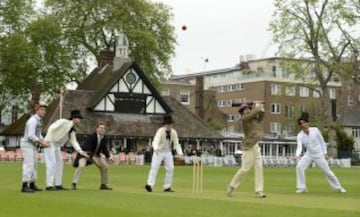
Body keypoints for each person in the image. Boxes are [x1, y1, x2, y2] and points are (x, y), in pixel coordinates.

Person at [293, 112, 346, 193]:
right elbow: (299, 147)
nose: (303, 125)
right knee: (299, 167)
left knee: (327, 171)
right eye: (301, 123)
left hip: (319, 154)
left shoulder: (315, 130)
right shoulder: (300, 135)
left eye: (304, 123)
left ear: (307, 123)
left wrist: (324, 153)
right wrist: (297, 155)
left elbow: (322, 142)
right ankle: (302, 188)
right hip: (309, 154)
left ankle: (339, 187)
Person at [227, 101, 266, 198]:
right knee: (245, 169)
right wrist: (256, 107)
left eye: (248, 109)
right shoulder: (244, 119)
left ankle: (259, 191)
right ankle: (232, 186)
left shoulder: (254, 119)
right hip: (248, 147)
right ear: (242, 113)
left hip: (256, 146)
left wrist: (260, 107)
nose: (246, 111)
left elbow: (261, 115)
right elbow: (254, 112)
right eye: (244, 110)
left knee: (259, 167)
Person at [43, 110, 89, 191]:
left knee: (60, 163)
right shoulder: (63, 122)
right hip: (49, 143)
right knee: (52, 163)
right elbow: (51, 128)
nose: (80, 120)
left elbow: (74, 142)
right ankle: (49, 185)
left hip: (57, 146)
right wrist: (47, 140)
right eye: (78, 118)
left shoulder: (72, 131)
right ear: (74, 118)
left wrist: (82, 152)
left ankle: (58, 184)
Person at [145, 114, 184, 192]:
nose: (169, 126)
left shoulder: (174, 132)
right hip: (158, 152)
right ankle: (149, 185)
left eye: (170, 124)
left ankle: (167, 187)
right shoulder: (160, 131)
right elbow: (155, 141)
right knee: (154, 167)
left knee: (170, 168)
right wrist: (155, 148)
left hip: (167, 151)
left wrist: (180, 153)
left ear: (172, 125)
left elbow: (176, 144)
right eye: (167, 124)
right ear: (165, 125)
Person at [71, 121, 113, 190]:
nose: (102, 129)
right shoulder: (91, 137)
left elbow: (105, 149)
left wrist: (109, 157)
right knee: (81, 166)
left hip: (95, 155)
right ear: (97, 129)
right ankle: (74, 183)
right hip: (85, 154)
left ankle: (104, 184)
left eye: (103, 128)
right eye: (100, 128)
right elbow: (87, 148)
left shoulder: (104, 138)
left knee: (105, 166)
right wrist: (93, 157)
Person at [20, 103, 50, 193]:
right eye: (41, 109)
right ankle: (24, 186)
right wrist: (42, 142)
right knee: (29, 164)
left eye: (44, 110)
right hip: (27, 144)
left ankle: (32, 184)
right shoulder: (33, 120)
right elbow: (31, 135)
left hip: (32, 145)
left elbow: (38, 134)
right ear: (36, 110)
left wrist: (44, 140)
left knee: (34, 165)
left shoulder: (39, 120)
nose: (44, 111)